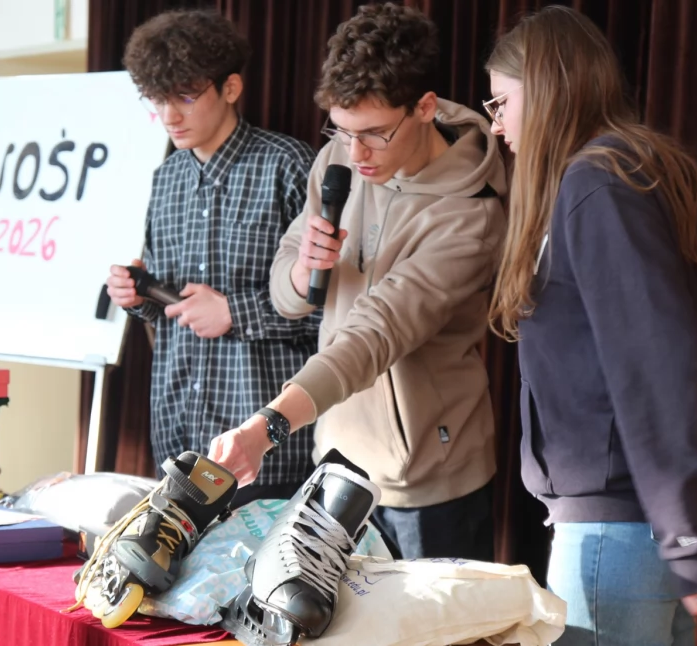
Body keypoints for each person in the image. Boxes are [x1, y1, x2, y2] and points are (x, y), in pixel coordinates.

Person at [209, 3, 507, 561]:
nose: (355, 153)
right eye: (341, 131)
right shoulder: (339, 159)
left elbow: (377, 331)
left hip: (428, 484)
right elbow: (286, 295)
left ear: (424, 107)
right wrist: (303, 270)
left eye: (374, 134)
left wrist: (266, 428)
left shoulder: (471, 212)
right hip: (337, 458)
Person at [483, 6, 697, 643]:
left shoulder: (596, 186)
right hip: (630, 527)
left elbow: (657, 367)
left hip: (622, 533)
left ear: (546, 90)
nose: (496, 124)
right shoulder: (601, 179)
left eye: (502, 103)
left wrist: (683, 536)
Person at [104, 10, 320, 507]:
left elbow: (333, 314)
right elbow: (171, 310)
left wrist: (233, 312)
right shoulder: (166, 179)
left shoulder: (288, 166)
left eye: (184, 96)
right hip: (178, 437)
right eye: (157, 99)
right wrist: (139, 297)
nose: (169, 116)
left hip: (267, 449)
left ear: (231, 88)